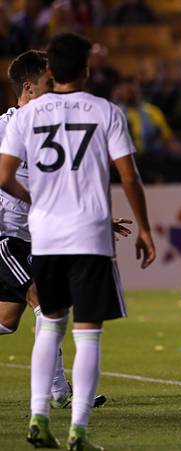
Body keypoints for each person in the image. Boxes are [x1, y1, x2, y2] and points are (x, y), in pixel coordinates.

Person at [0, 32, 156, 449]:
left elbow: (25, 179)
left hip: (43, 233)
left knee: (20, 320)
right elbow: (125, 175)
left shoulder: (31, 119)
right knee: (73, 324)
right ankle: (69, 411)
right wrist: (140, 227)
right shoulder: (100, 111)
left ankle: (45, 411)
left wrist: (45, 204)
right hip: (35, 233)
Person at [0, 49, 115, 410]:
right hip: (5, 234)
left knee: (7, 319)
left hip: (32, 236)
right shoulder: (5, 127)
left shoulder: (51, 131)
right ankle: (60, 392)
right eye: (51, 84)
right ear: (30, 88)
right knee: (47, 302)